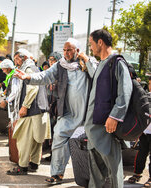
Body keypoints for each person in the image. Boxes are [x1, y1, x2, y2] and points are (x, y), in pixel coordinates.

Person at [14, 38, 90, 183]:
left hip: (88, 114)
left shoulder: (86, 64)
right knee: (59, 139)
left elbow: (98, 74)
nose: (66, 53)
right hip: (68, 113)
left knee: (91, 146)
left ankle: (96, 177)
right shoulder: (60, 66)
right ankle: (57, 174)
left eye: (70, 50)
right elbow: (45, 76)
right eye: (65, 50)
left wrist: (87, 60)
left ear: (77, 51)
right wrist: (28, 77)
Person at [78, 29, 133, 188]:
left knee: (114, 171)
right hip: (94, 130)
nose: (91, 47)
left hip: (107, 129)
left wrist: (115, 116)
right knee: (95, 174)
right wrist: (87, 61)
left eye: (91, 43)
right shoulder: (103, 63)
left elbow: (125, 91)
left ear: (100, 42)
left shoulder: (117, 62)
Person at [6, 49, 50, 175]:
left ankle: (22, 166)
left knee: (23, 139)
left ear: (24, 58)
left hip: (31, 111)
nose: (15, 62)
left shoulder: (28, 69)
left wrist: (24, 106)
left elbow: (32, 89)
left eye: (17, 59)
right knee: (37, 140)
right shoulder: (35, 68)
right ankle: (34, 164)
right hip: (41, 109)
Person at [127, 77, 151, 187]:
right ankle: (137, 173)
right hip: (145, 132)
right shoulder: (145, 95)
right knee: (141, 153)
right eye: (150, 83)